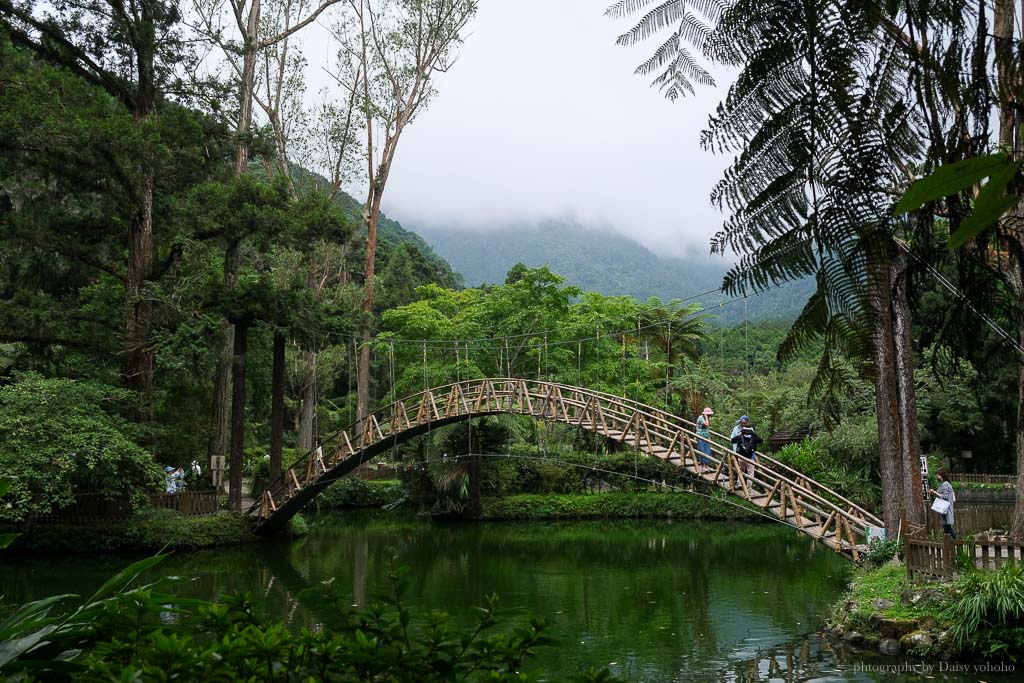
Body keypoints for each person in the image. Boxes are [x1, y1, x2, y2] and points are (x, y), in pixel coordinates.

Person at [929, 469, 957, 539]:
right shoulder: (943, 484)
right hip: (944, 509)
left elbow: (945, 496)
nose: (937, 477)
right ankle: (948, 543)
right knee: (946, 527)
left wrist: (934, 492)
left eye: (938, 475)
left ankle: (956, 541)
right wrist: (933, 492)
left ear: (942, 475)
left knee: (947, 527)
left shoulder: (945, 484)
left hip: (946, 508)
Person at [695, 407, 714, 471]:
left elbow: (707, 429)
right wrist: (706, 417)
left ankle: (707, 465)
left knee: (708, 451)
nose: (709, 415)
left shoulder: (706, 418)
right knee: (702, 451)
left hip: (706, 437)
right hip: (701, 437)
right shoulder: (701, 418)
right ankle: (702, 466)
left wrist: (709, 438)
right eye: (708, 414)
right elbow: (707, 425)